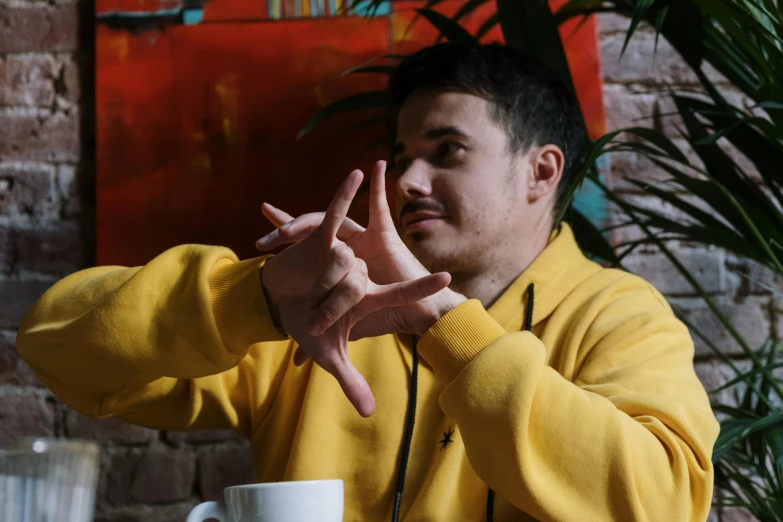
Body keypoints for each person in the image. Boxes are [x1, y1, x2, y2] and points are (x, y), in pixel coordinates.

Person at [17, 43, 718, 521]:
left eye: (446, 151)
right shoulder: (315, 306)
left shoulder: (619, 314)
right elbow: (56, 346)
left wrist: (446, 326)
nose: (408, 180)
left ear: (540, 171)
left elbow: (661, 502)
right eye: (401, 154)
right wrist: (253, 300)